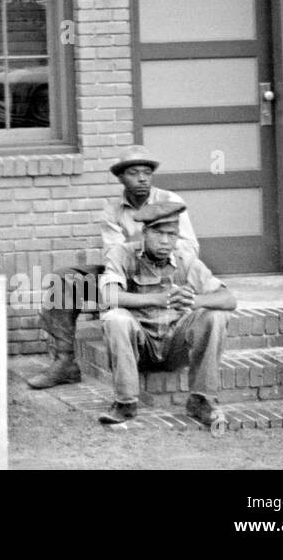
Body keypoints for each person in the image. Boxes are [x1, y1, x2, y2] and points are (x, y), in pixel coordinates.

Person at [26, 145, 198, 389]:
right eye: (133, 173)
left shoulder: (170, 201)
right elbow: (114, 254)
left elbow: (189, 248)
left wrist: (152, 246)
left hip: (165, 276)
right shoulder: (113, 210)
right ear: (120, 177)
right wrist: (139, 249)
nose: (141, 178)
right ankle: (65, 362)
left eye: (147, 173)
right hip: (126, 274)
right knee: (63, 279)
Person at [96, 201, 236, 425]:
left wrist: (194, 301)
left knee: (215, 315)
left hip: (175, 345)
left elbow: (229, 299)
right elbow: (108, 297)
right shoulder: (122, 254)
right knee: (115, 318)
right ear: (144, 232)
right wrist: (158, 299)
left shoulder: (185, 260)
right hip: (139, 347)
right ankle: (125, 403)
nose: (164, 241)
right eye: (158, 233)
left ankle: (202, 400)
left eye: (171, 235)